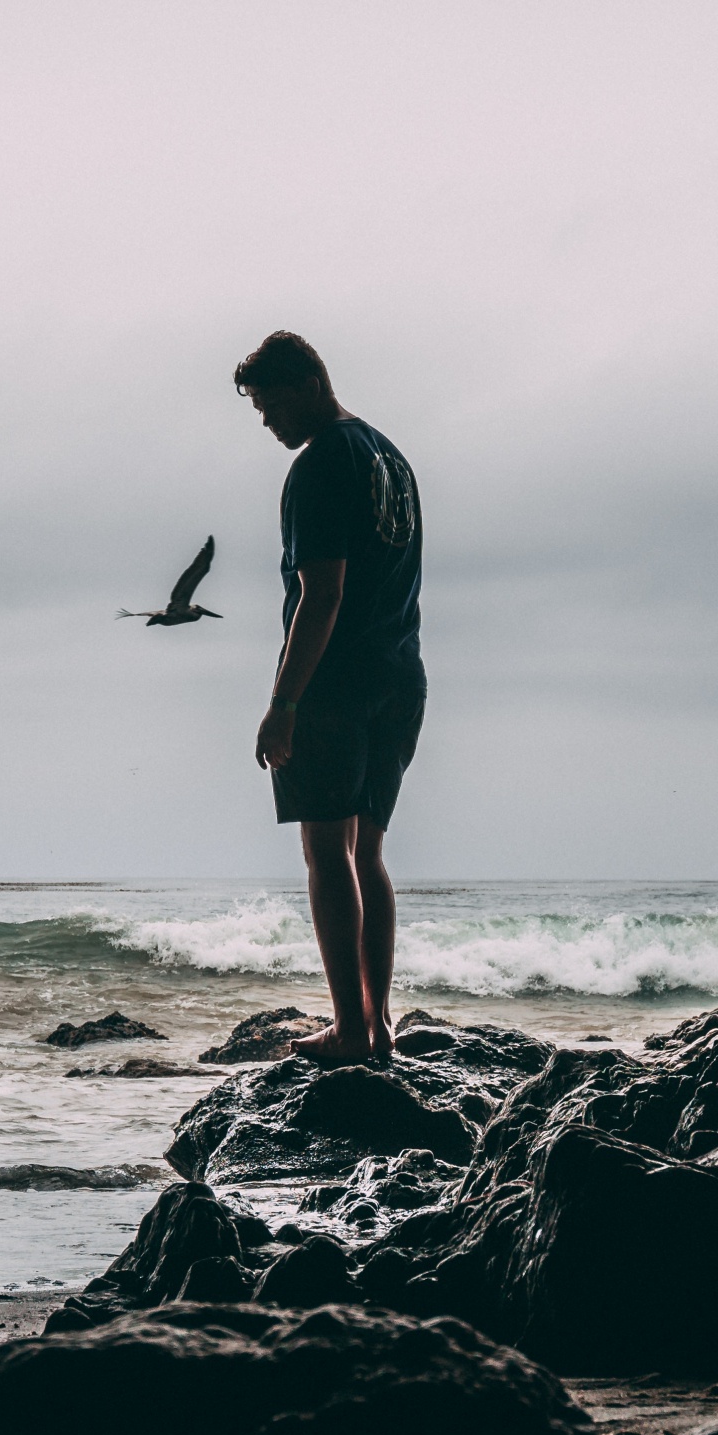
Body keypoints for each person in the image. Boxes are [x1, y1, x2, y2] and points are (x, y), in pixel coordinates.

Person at [236, 330, 426, 1065]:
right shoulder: (390, 456)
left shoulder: (319, 466)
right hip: (399, 675)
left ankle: (350, 1030)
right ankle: (377, 1027)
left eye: (273, 404)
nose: (268, 423)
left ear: (311, 383)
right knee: (367, 853)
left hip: (333, 685)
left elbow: (321, 592)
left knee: (325, 852)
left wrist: (284, 703)